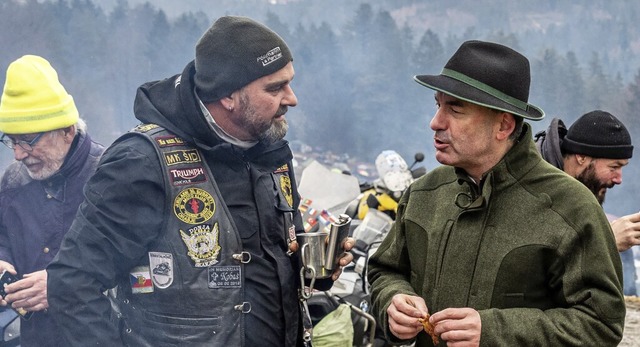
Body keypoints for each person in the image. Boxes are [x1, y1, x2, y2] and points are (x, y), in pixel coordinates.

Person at [47, 16, 353, 346]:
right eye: (275, 87)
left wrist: (316, 266)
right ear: (228, 96)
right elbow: (73, 283)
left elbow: (270, 265)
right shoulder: (141, 161)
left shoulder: (271, 152)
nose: (292, 98)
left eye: (289, 83)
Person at [367, 40, 625, 346]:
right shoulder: (424, 194)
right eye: (438, 105)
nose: (436, 123)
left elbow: (600, 324)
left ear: (503, 125)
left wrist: (493, 331)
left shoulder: (571, 208)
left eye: (456, 109)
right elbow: (385, 271)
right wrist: (393, 302)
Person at [0, 55, 104, 346]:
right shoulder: (12, 181)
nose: (18, 154)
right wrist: (2, 260)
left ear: (67, 130)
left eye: (28, 140)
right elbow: (3, 235)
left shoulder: (111, 177)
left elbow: (140, 270)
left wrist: (61, 287)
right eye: (10, 140)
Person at [535, 111, 638, 295]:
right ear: (581, 157)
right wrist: (606, 242)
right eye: (614, 167)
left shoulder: (580, 189)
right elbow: (533, 269)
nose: (619, 179)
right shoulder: (533, 186)